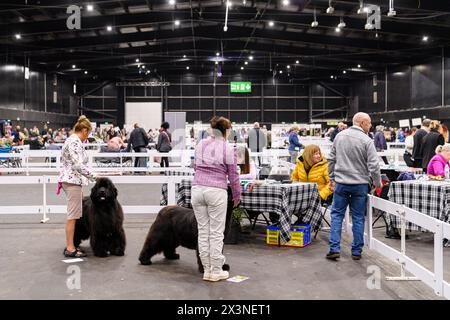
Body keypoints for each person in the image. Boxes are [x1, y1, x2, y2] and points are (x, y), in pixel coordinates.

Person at [191, 116, 240, 282]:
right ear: (226, 130)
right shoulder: (228, 148)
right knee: (216, 233)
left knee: (203, 232)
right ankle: (216, 271)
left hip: (197, 189)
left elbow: (195, 166)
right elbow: (233, 175)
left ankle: (206, 270)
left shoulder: (200, 144)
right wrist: (237, 195)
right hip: (216, 191)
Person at [327, 112, 381, 261]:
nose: (370, 126)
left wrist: (332, 177)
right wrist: (378, 184)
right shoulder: (367, 140)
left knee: (336, 216)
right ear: (362, 123)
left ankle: (334, 249)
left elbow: (331, 159)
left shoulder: (339, 136)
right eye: (369, 123)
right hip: (360, 185)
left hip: (341, 183)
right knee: (358, 217)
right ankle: (356, 251)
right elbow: (374, 166)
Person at [58, 116, 97, 258]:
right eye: (89, 133)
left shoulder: (73, 141)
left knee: (76, 214)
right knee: (73, 216)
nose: (88, 136)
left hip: (73, 181)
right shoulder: (74, 141)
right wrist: (94, 176)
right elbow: (77, 165)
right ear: (85, 130)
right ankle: (70, 248)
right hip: (72, 182)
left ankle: (73, 244)